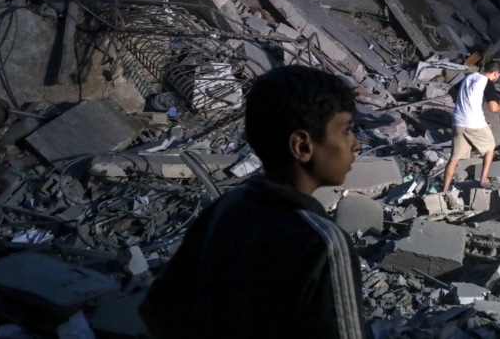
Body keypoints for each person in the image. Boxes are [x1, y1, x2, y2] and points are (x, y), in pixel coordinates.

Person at [139, 65, 365, 339]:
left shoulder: (227, 208)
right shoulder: (324, 244)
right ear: (303, 147)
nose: (356, 145)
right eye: (346, 131)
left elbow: (158, 308)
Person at [442, 60, 500, 193]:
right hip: (474, 123)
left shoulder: (469, 77)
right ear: (496, 73)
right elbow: (493, 108)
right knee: (490, 148)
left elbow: (451, 91)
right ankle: (484, 179)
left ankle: (444, 189)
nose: (497, 78)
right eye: (498, 76)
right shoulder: (487, 83)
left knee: (454, 158)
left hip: (458, 121)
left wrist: (464, 101)